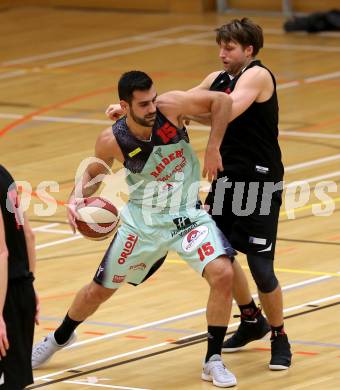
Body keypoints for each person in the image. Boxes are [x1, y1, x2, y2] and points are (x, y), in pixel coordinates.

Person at [105, 17, 292, 371]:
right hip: (226, 177)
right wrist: (130, 113)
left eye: (230, 48)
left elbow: (229, 110)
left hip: (259, 181)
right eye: (220, 47)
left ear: (249, 50)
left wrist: (190, 117)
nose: (222, 54)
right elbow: (178, 104)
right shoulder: (217, 79)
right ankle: (252, 318)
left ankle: (280, 336)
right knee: (222, 252)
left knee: (261, 266)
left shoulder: (257, 75)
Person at [32, 71, 238, 388]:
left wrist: (213, 146)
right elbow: (93, 176)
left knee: (223, 273)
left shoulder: (171, 107)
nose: (152, 107)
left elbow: (222, 101)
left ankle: (213, 359)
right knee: (98, 291)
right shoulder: (111, 140)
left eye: (153, 99)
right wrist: (76, 200)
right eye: (143, 104)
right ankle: (59, 337)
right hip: (143, 222)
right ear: (124, 106)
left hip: (187, 216)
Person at [0, 165, 39, 390]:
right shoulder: (5, 174)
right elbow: (29, 235)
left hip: (5, 295)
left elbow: (1, 252)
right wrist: (31, 284)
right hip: (22, 288)